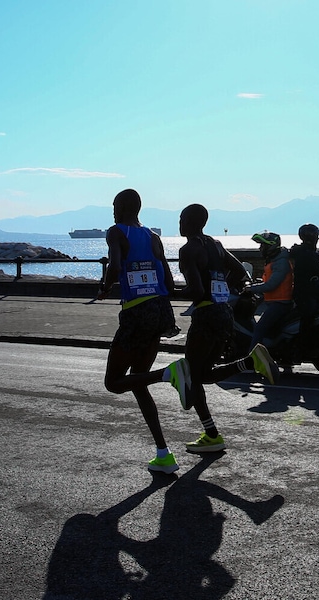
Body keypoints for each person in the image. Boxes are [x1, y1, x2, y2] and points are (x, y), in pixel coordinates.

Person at [165, 203, 279, 454]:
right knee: (203, 374)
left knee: (193, 376)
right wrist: (222, 290)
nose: (180, 223)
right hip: (224, 313)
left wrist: (167, 293)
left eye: (182, 218)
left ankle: (212, 435)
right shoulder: (215, 244)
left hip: (206, 315)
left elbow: (194, 290)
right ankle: (250, 363)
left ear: (192, 222)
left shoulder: (189, 250)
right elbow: (240, 271)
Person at [97, 189, 185, 474]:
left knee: (114, 382)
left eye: (114, 205)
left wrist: (106, 286)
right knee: (137, 382)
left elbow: (116, 265)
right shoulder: (153, 236)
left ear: (122, 207)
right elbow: (169, 281)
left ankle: (168, 374)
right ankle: (164, 454)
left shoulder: (116, 232)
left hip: (136, 311)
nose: (112, 209)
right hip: (160, 310)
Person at [242, 231, 293, 351]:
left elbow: (271, 285)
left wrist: (251, 288)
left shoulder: (280, 263)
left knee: (259, 329)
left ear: (271, 247)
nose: (260, 248)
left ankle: (252, 360)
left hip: (280, 303)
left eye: (263, 246)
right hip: (275, 301)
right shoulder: (275, 260)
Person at [288, 223, 319, 355]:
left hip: (314, 292)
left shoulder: (308, 252)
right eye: (317, 237)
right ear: (311, 238)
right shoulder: (305, 254)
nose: (318, 239)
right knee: (308, 319)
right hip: (306, 294)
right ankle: (304, 347)